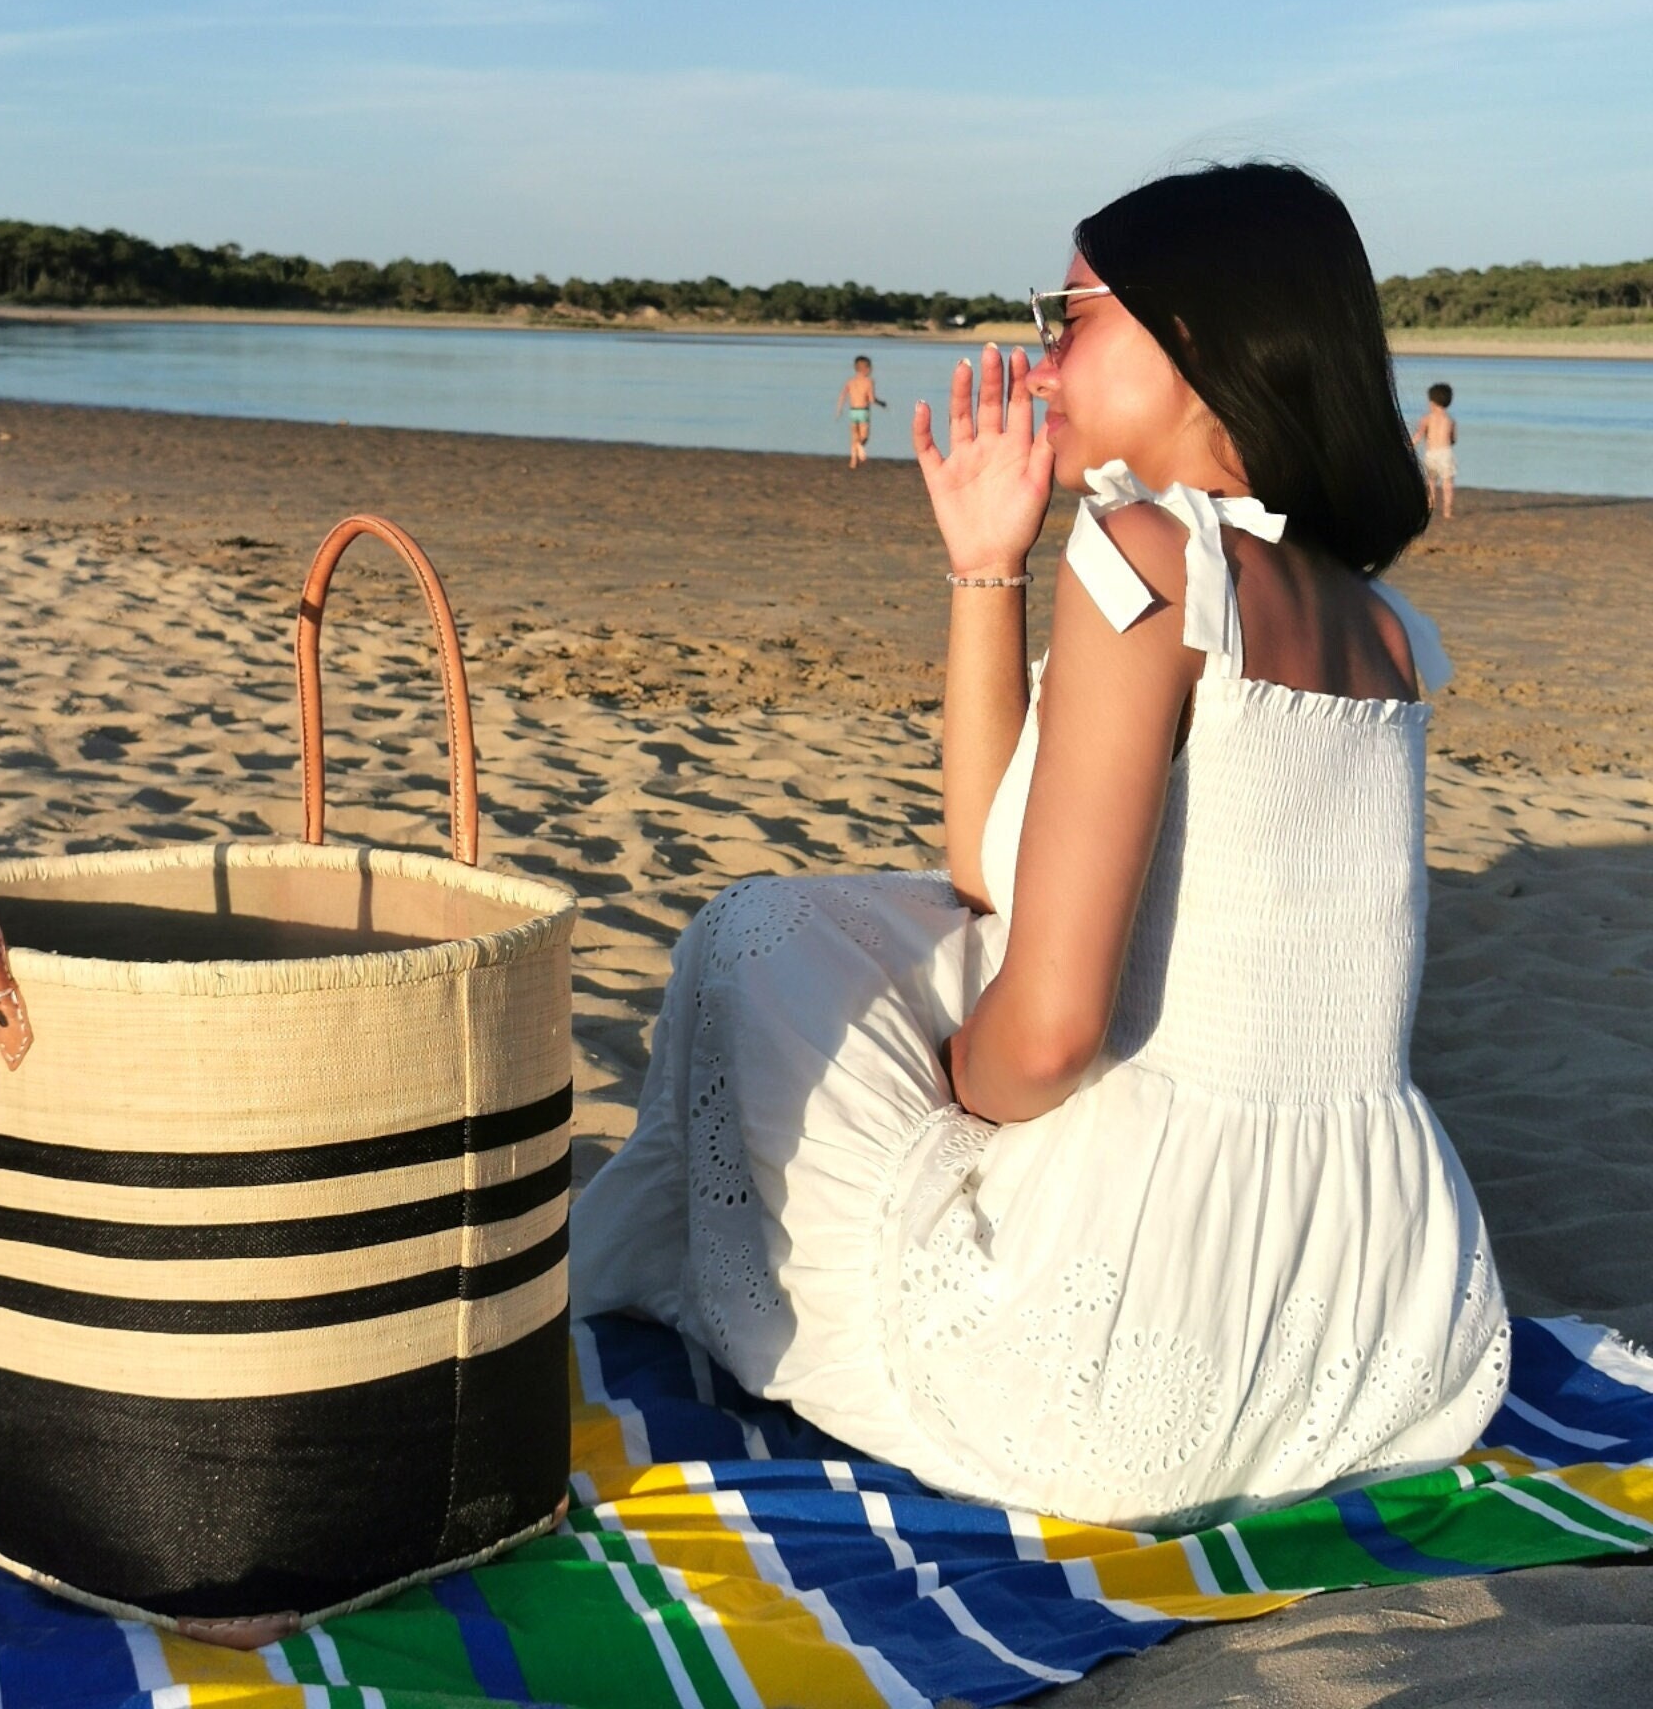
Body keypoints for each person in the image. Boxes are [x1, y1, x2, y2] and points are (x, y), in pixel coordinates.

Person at [571, 162, 1507, 1531]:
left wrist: (942, 1109)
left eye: (1069, 314)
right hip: (1382, 1336)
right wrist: (984, 564)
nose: (1038, 356)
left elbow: (1051, 1030)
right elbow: (989, 879)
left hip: (1130, 1360)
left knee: (753, 940)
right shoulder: (1380, 628)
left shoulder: (1145, 550)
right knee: (901, 941)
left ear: (1194, 336)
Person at [1415, 382, 1458, 519]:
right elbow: (1453, 439)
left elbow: (1419, 435)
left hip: (1431, 454)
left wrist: (1409, 445)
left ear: (1432, 402)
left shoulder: (1427, 418)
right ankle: (1447, 511)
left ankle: (1430, 507)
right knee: (1447, 483)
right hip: (1445, 453)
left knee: (1431, 482)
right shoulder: (1450, 420)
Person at [834, 354, 885, 468]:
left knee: (854, 436)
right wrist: (881, 403)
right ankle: (860, 448)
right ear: (866, 369)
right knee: (864, 437)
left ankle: (853, 461)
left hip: (853, 411)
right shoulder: (869, 381)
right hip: (863, 411)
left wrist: (839, 409)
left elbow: (842, 395)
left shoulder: (850, 381)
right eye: (870, 368)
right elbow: (871, 399)